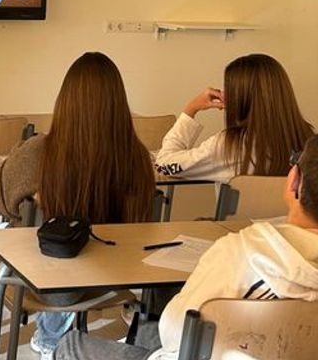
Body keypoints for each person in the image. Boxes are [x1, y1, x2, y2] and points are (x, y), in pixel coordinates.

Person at [0, 52, 156, 360]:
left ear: (65, 101)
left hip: (36, 276)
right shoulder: (138, 159)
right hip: (103, 281)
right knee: (71, 258)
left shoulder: (42, 150)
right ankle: (49, 340)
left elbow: (0, 199)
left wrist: (18, 154)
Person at [55, 133, 318, 360]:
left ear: (293, 181)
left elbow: (174, 332)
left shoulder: (242, 251)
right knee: (145, 326)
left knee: (70, 345)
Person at [155, 53, 313, 183]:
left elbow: (164, 164)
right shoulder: (308, 138)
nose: (224, 93)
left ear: (240, 96)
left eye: (228, 88)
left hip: (242, 216)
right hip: (292, 214)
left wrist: (191, 109)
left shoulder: (229, 146)